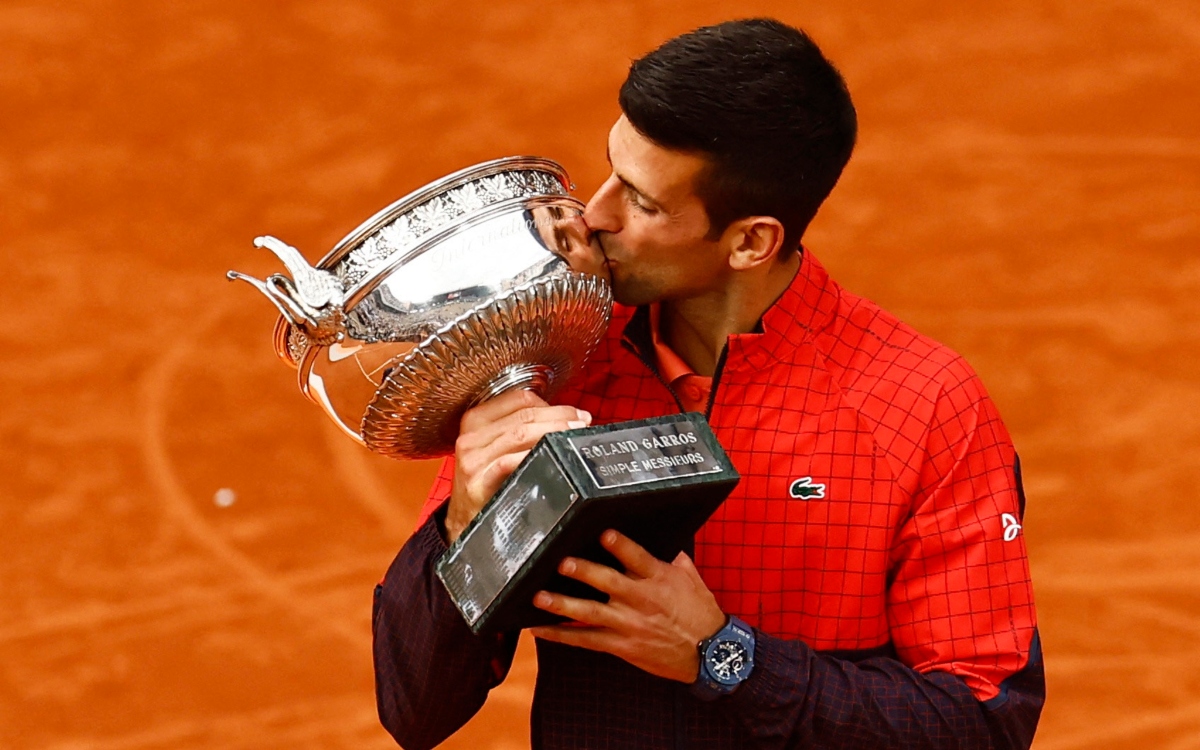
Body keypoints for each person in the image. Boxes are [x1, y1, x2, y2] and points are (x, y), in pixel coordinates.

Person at [373, 18, 1044, 749]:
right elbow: (416, 710)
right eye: (609, 171)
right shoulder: (559, 367)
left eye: (643, 201)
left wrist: (726, 658)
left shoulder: (924, 406)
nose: (596, 215)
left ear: (751, 241)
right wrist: (467, 523)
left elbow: (981, 725)